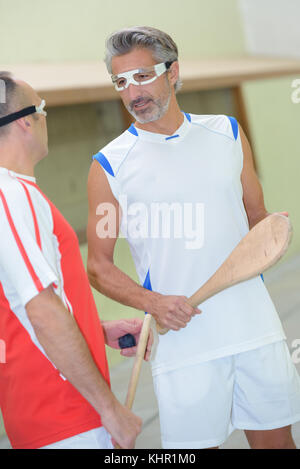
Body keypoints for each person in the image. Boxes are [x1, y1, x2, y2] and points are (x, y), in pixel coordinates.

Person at [86, 26, 300, 449]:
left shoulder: (228, 133)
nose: (133, 92)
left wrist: (273, 236)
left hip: (253, 327)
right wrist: (153, 303)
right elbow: (99, 266)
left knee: (277, 443)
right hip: (183, 343)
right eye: (121, 82)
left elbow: (258, 220)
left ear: (174, 72)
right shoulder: (109, 166)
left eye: (143, 76)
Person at [0, 72, 153, 450]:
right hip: (66, 418)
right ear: (24, 120)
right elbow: (42, 312)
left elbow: (18, 310)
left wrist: (96, 331)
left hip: (60, 417)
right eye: (43, 110)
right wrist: (110, 410)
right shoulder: (10, 196)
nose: (46, 119)